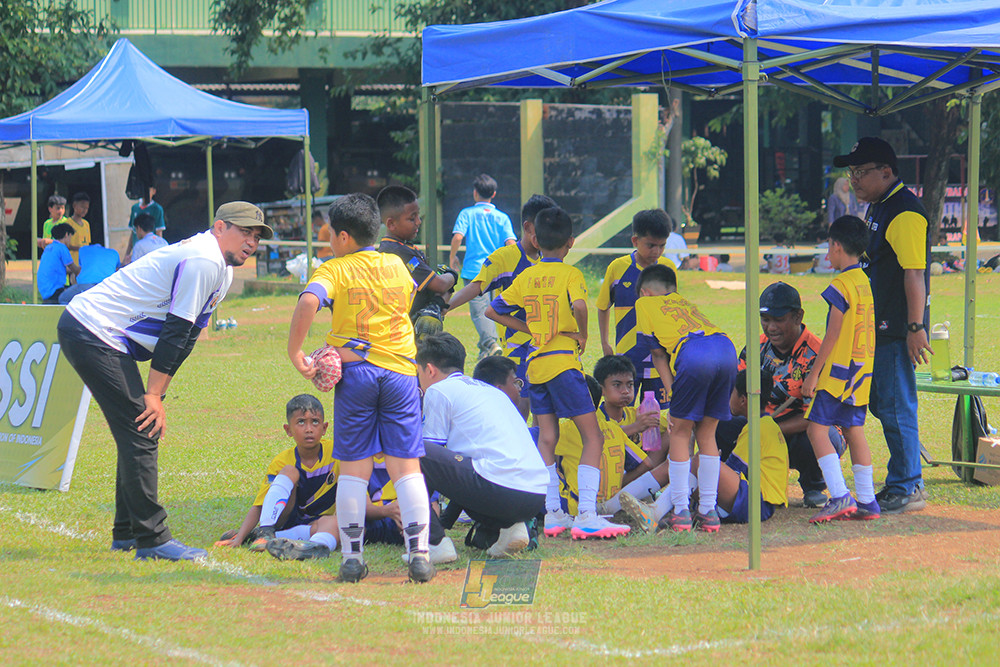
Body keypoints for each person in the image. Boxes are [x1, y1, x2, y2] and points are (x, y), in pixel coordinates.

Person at [56, 201, 271, 561]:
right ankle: (152, 540)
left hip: (103, 335)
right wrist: (151, 395)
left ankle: (127, 534)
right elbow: (175, 330)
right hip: (91, 330)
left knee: (140, 425)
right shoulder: (204, 259)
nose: (251, 242)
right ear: (219, 227)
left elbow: (187, 337)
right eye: (245, 232)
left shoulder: (222, 269)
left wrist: (159, 395)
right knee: (142, 429)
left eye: (257, 236)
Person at [287, 193, 434, 584]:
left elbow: (307, 301)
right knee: (407, 467)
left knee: (354, 468)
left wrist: (296, 351)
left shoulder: (335, 268)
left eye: (332, 235)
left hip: (356, 374)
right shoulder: (398, 266)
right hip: (402, 372)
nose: (330, 242)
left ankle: (352, 559)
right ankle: (419, 554)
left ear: (344, 237)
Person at [487, 206, 630, 540]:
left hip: (535, 367)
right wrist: (582, 334)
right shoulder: (570, 274)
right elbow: (580, 306)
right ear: (570, 242)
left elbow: (494, 309)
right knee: (592, 435)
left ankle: (553, 513)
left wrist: (528, 328)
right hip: (563, 364)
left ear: (535, 239)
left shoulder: (527, 275)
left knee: (546, 436)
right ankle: (588, 515)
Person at [833, 136, 930, 513]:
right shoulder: (879, 205)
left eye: (861, 172)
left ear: (886, 172)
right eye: (851, 172)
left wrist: (915, 327)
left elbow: (914, 274)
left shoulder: (904, 210)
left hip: (896, 325)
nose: (854, 180)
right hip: (880, 323)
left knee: (894, 405)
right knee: (883, 402)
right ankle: (906, 475)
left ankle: (908, 485)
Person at [417, 333, 548, 557]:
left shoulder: (438, 391)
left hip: (500, 490)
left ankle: (435, 543)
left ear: (429, 370)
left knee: (413, 452)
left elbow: (430, 457)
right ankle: (512, 529)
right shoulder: (488, 390)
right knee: (472, 463)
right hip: (534, 496)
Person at [619, 369, 789, 531]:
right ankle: (616, 505)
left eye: (731, 393)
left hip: (758, 503)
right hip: (755, 500)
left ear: (743, 400)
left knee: (698, 463)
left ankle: (648, 510)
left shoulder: (758, 428)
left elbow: (735, 468)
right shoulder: (764, 425)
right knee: (687, 464)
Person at [722, 282, 844, 508]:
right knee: (720, 424)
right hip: (761, 424)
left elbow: (815, 415)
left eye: (778, 320)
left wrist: (768, 429)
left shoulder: (817, 354)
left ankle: (813, 485)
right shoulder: (756, 347)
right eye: (765, 320)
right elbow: (737, 392)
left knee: (821, 434)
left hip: (799, 428)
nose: (771, 328)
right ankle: (730, 481)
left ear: (798, 317)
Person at [635, 263, 736, 532]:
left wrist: (672, 393)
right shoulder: (683, 301)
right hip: (726, 349)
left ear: (644, 292)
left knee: (680, 432)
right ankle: (708, 511)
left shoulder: (644, 305)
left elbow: (658, 356)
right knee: (708, 434)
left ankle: (680, 510)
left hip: (693, 354)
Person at [801, 215, 880, 522]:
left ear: (836, 246)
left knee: (816, 429)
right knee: (854, 430)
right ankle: (868, 500)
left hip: (838, 373)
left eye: (828, 246)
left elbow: (832, 334)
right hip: (862, 373)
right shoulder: (864, 281)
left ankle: (838, 495)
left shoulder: (841, 284)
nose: (827, 253)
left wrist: (813, 373)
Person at [448, 194, 556, 417]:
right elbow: (475, 287)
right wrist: (443, 307)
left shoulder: (552, 258)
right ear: (527, 227)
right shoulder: (505, 257)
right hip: (520, 347)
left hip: (551, 346)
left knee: (546, 411)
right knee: (522, 406)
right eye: (542, 230)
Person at [217, 394, 341, 560]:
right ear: (288, 430)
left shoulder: (337, 452)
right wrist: (239, 539)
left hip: (315, 525)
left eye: (315, 422)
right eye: (301, 422)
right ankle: (265, 532)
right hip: (286, 519)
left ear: (325, 428)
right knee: (289, 471)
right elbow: (260, 505)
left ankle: (311, 547)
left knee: (334, 524)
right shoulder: (282, 461)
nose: (309, 429)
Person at [556, 356, 666, 517]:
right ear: (601, 389)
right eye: (617, 385)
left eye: (630, 385)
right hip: (606, 479)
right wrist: (636, 427)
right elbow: (606, 433)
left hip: (632, 470)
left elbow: (672, 426)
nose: (625, 391)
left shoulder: (637, 414)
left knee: (673, 435)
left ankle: (670, 495)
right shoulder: (594, 418)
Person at [597, 209, 677, 408]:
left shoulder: (668, 269)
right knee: (623, 409)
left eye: (662, 246)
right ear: (635, 241)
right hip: (628, 358)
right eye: (650, 245)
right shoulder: (617, 268)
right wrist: (605, 343)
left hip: (660, 358)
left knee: (656, 416)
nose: (656, 252)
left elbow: (674, 310)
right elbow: (603, 306)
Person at [450, 173, 517, 360]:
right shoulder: (502, 217)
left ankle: (491, 343)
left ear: (475, 193)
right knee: (496, 308)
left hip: (474, 270)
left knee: (480, 311)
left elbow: (457, 237)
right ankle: (484, 352)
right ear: (493, 194)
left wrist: (453, 257)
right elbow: (511, 242)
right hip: (499, 271)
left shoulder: (467, 214)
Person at [376, 185, 457, 327]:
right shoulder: (399, 252)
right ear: (391, 224)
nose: (419, 221)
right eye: (412, 218)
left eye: (418, 215)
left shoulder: (397, 247)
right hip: (408, 328)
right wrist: (453, 274)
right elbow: (441, 285)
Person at [37, 223, 80, 303]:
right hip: (55, 290)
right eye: (71, 237)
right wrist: (84, 269)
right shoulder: (62, 247)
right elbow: (75, 270)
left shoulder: (49, 247)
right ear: (67, 235)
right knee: (80, 293)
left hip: (45, 290)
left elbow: (57, 268)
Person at [127, 184, 166, 258]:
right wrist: (127, 253)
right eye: (143, 190)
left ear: (154, 191)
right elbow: (132, 233)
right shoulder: (135, 208)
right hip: (138, 250)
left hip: (151, 252)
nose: (145, 193)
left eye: (148, 190)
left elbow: (159, 232)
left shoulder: (157, 209)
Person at [65, 192, 92, 265]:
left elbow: (88, 243)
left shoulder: (86, 224)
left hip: (84, 263)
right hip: (73, 264)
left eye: (87, 208)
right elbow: (66, 245)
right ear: (74, 206)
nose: (84, 210)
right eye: (82, 207)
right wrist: (80, 248)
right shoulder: (68, 223)